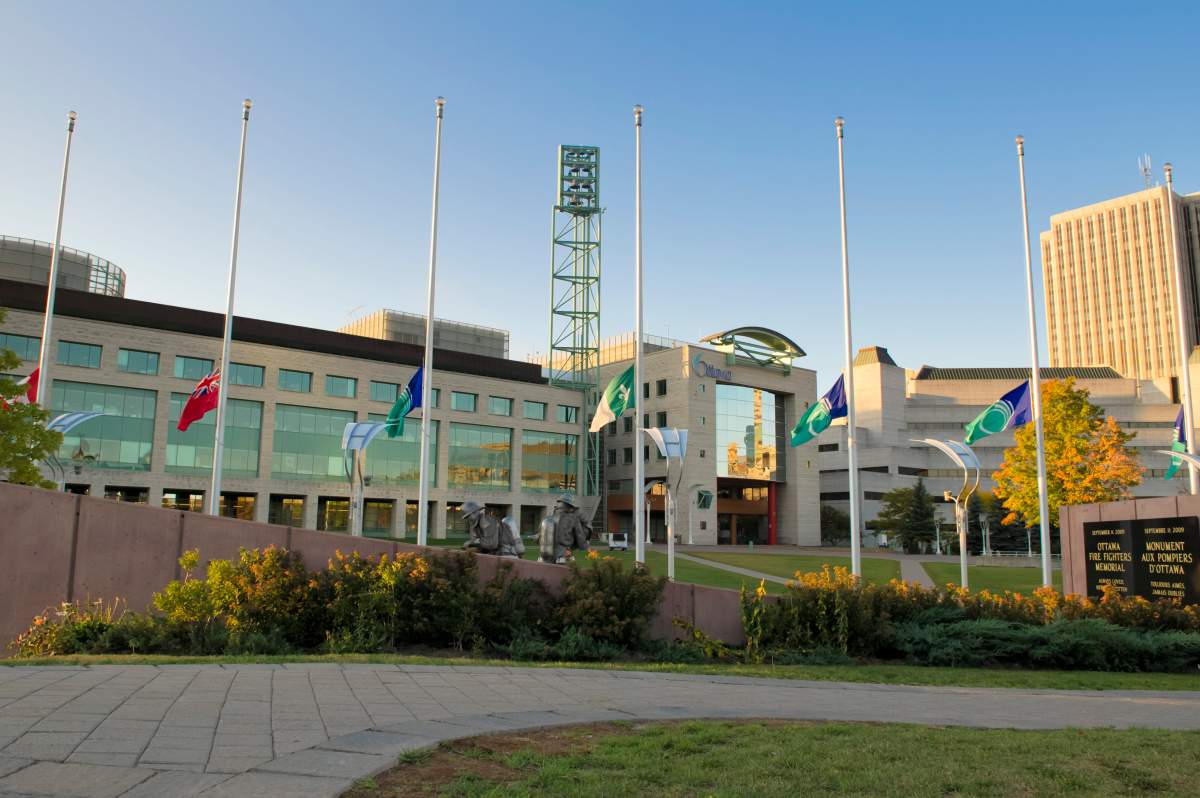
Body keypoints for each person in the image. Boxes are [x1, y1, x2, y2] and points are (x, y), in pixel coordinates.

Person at [538, 494, 591, 564]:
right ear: (569, 506)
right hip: (563, 554)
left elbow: (539, 537)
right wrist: (585, 546)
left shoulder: (547, 518)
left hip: (545, 554)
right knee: (565, 573)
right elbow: (579, 535)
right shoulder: (573, 519)